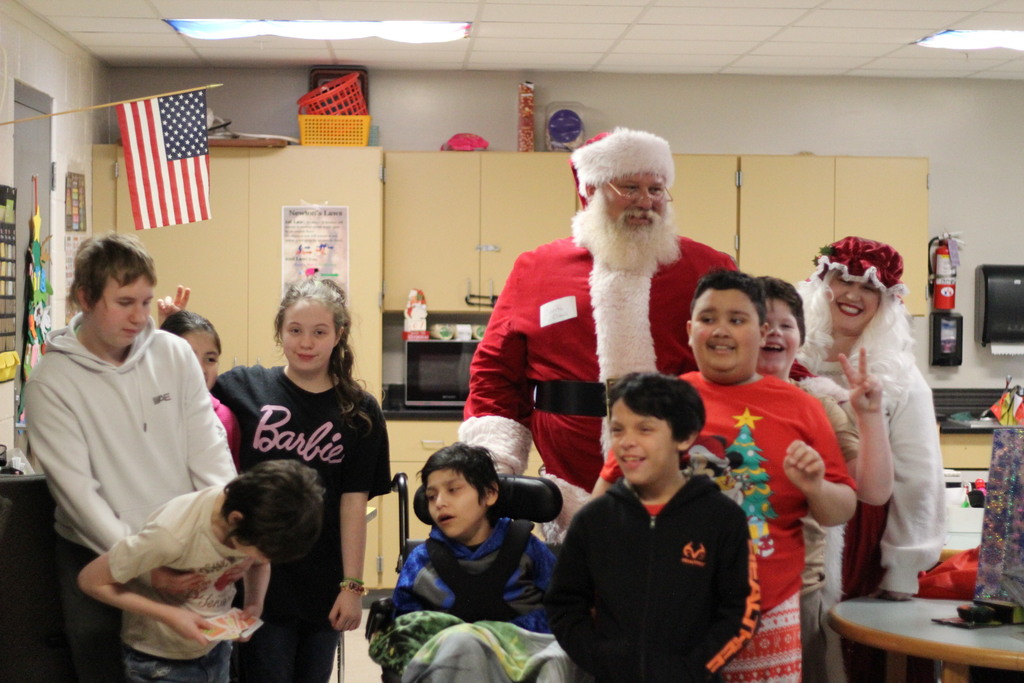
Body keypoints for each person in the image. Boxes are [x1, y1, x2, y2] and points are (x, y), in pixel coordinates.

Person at [459, 127, 736, 540]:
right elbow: (496, 369)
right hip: (568, 484)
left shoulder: (708, 268)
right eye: (629, 187)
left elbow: (752, 353)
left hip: (683, 473)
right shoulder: (536, 268)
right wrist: (496, 461)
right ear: (589, 190)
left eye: (656, 189)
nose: (646, 202)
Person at [596, 270, 856, 682]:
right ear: (689, 329)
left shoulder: (804, 407)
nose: (721, 330)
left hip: (769, 611)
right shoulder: (656, 402)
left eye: (737, 319)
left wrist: (815, 485)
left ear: (761, 329)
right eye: (708, 318)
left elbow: (839, 509)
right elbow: (607, 498)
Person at [24, 233, 237, 682]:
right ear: (85, 297)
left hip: (183, 547)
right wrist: (143, 564)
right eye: (124, 303)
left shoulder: (173, 353)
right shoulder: (51, 382)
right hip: (98, 553)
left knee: (196, 662)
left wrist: (232, 524)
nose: (141, 317)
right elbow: (79, 495)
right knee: (105, 667)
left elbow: (209, 450)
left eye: (145, 301)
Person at [212, 277, 391, 683]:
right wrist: (170, 336)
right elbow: (188, 391)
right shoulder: (242, 388)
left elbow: (353, 502)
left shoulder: (359, 411)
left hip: (323, 581)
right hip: (256, 577)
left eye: (319, 332)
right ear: (280, 331)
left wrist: (352, 585)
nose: (306, 342)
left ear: (338, 334)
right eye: (295, 330)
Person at [795, 236, 945, 680]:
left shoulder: (900, 375)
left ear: (886, 302)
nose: (853, 295)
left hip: (859, 538)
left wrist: (902, 568)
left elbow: (918, 478)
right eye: (843, 280)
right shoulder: (786, 351)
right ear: (822, 284)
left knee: (846, 653)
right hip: (787, 533)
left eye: (869, 288)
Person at [546, 372, 759, 682]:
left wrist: (691, 669)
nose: (627, 442)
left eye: (645, 428)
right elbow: (563, 605)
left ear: (684, 437)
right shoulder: (593, 520)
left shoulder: (721, 518)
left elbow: (742, 612)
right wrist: (601, 659)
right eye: (618, 430)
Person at [756, 276, 893, 683]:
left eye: (786, 325)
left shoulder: (818, 405)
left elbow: (872, 489)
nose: (773, 333)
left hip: (797, 596)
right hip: (711, 594)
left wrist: (869, 415)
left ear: (800, 338)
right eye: (761, 322)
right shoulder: (695, 399)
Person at [77, 460, 325, 683]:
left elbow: (260, 564)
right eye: (255, 553)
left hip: (215, 649)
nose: (256, 560)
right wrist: (170, 615)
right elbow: (91, 580)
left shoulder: (257, 518)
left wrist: (254, 604)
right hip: (161, 660)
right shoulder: (172, 534)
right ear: (236, 520)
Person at [371, 443, 583, 682]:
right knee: (463, 642)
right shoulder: (421, 561)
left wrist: (495, 638)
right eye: (431, 496)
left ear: (490, 494)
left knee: (560, 657)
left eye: (453, 490)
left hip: (526, 658)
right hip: (453, 663)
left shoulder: (527, 548)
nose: (440, 502)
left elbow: (563, 612)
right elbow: (406, 630)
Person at [161, 310, 242, 468]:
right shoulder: (147, 410)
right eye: (188, 356)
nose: (200, 369)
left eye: (210, 359)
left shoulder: (225, 418)